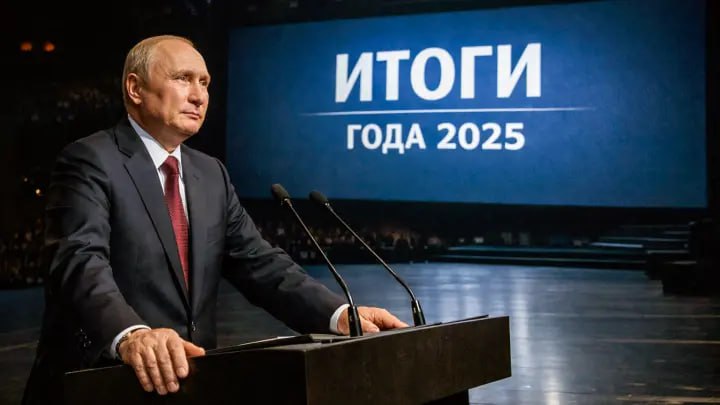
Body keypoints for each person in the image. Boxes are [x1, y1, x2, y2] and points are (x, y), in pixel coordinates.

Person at [23, 35, 407, 404]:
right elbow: (79, 262)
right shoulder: (91, 160)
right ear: (135, 88)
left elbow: (261, 265)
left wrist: (340, 314)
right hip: (102, 385)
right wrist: (131, 335)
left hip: (190, 385)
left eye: (205, 83)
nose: (199, 95)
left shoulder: (210, 174)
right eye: (183, 78)